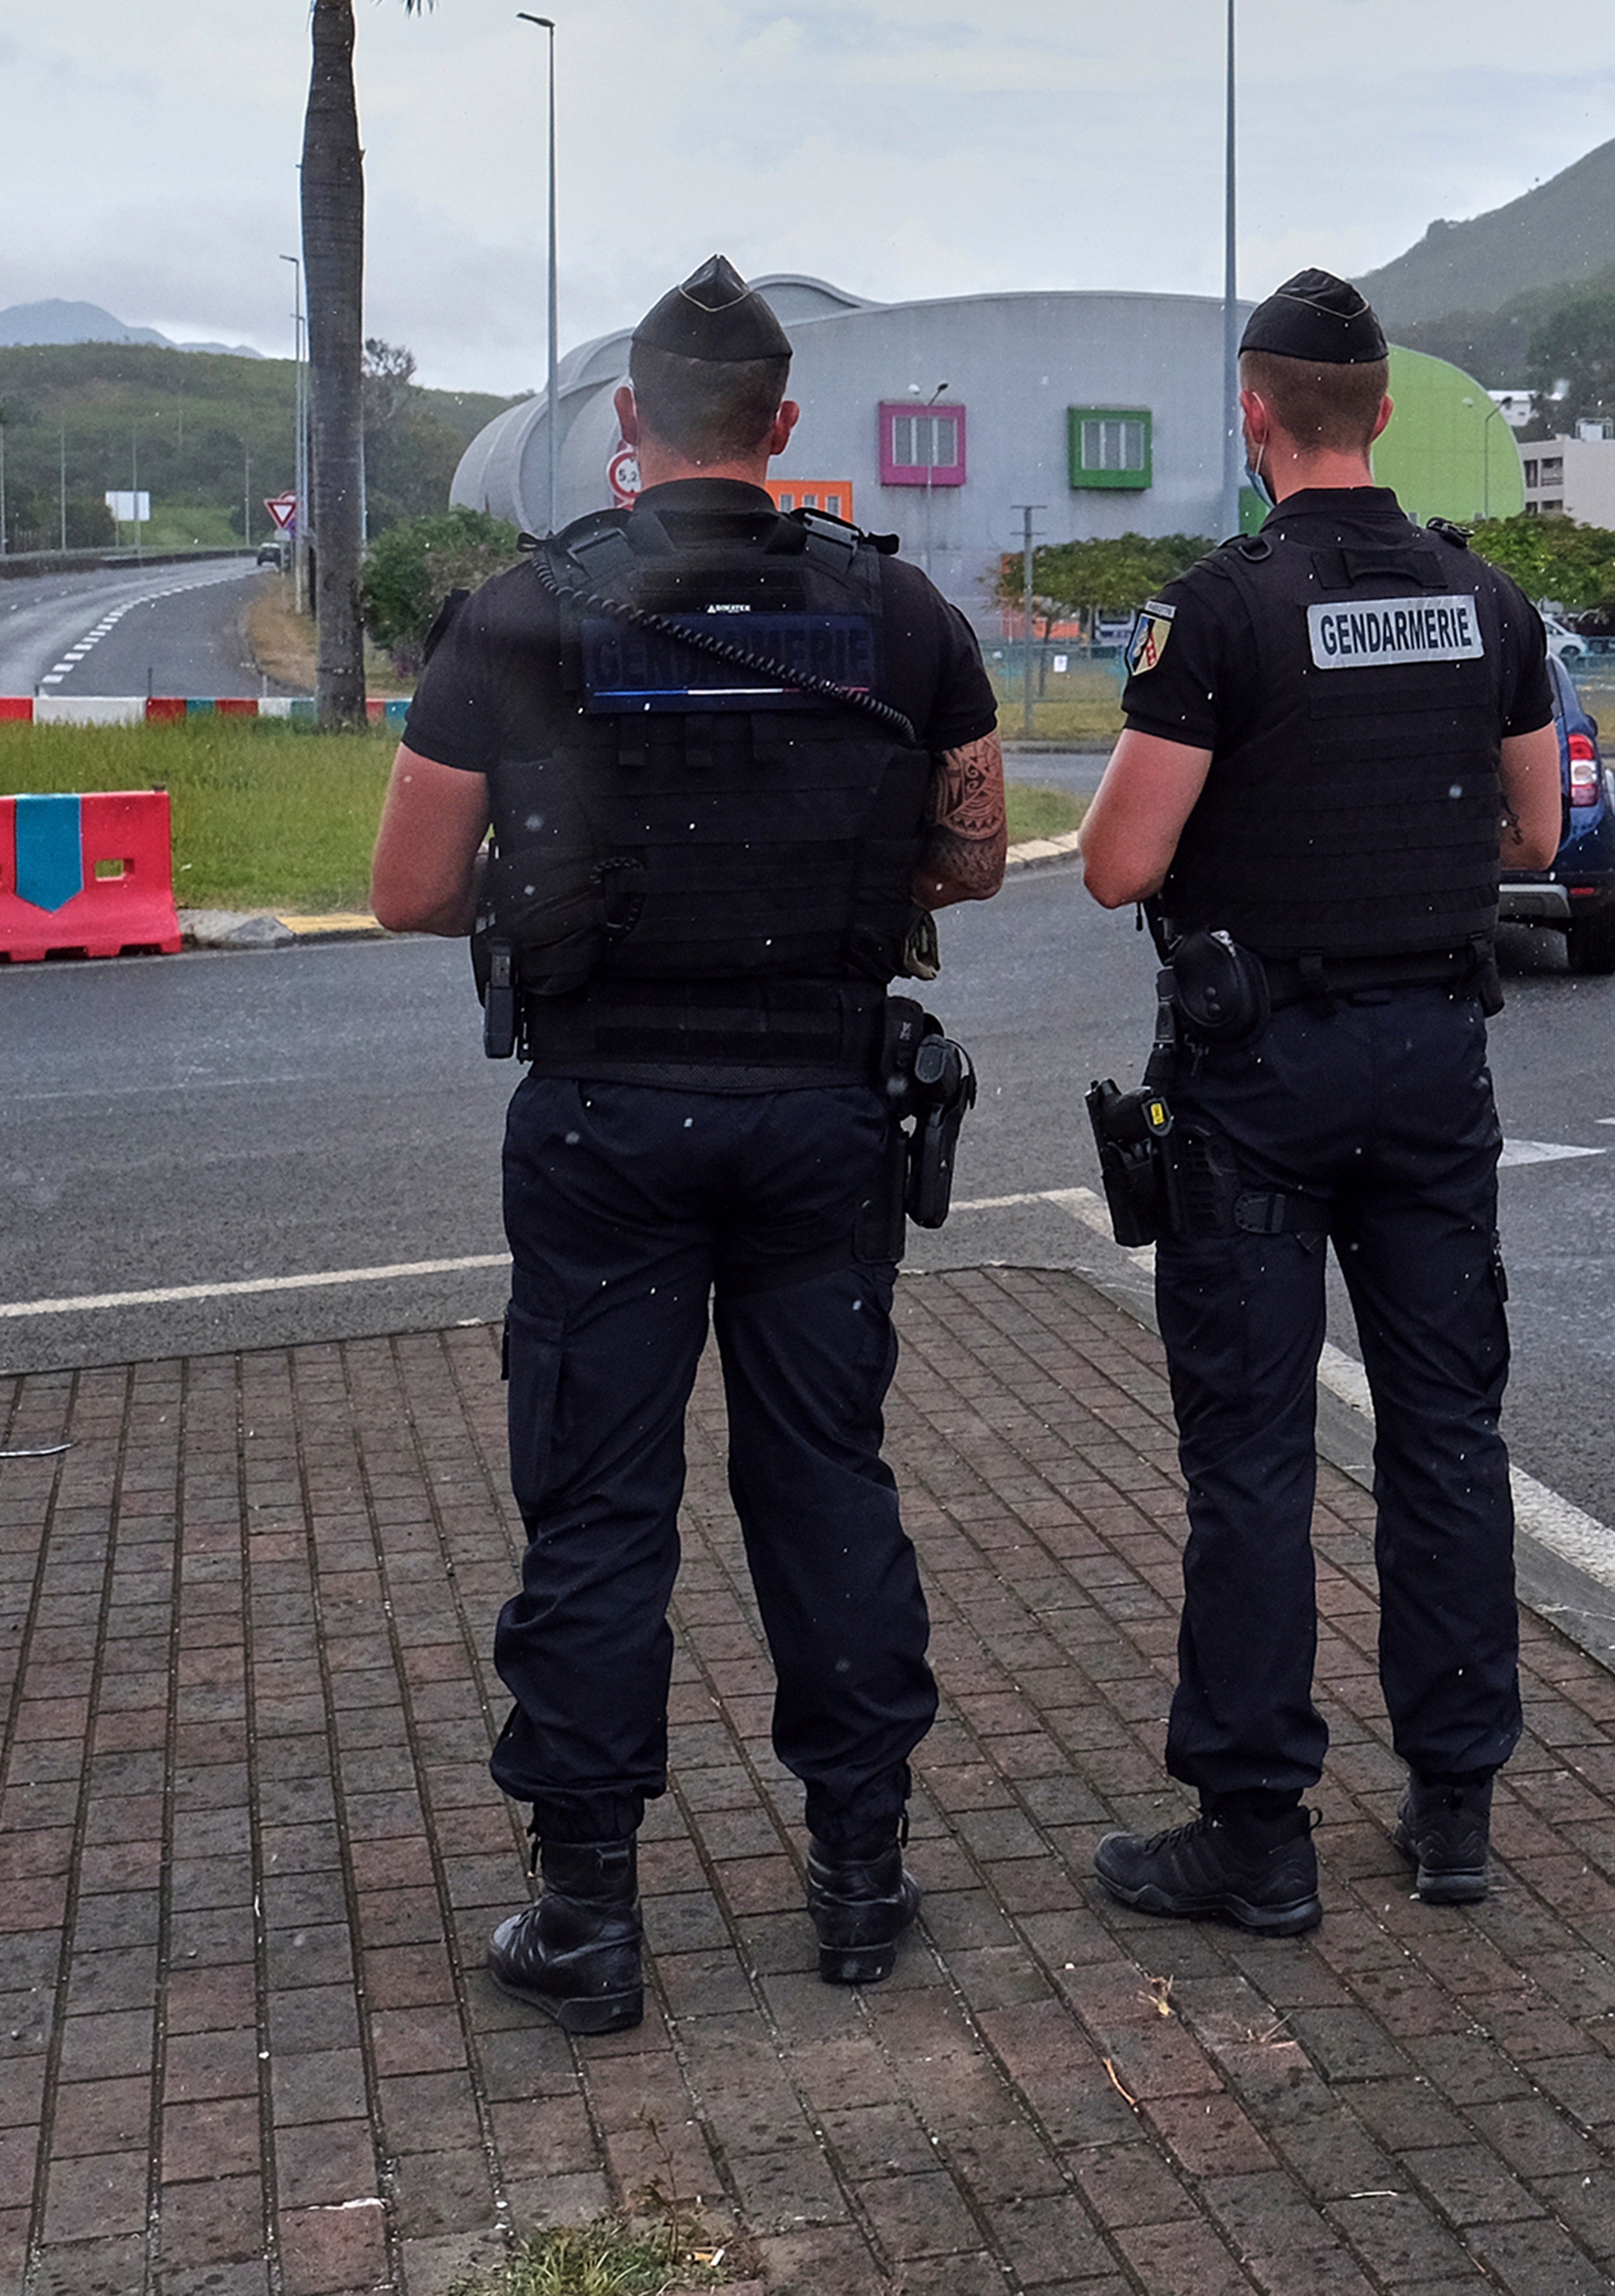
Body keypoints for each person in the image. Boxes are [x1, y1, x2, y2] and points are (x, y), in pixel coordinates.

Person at [367, 256, 1012, 2034]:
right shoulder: (901, 618)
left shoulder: (515, 615)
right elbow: (971, 857)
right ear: (785, 432)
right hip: (822, 1117)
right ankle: (861, 1881)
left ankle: (588, 1918)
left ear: (629, 431)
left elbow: (410, 888)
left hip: (602, 1124)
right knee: (826, 1487)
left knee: (597, 1511)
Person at [1076, 267, 1564, 1930]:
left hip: (1260, 1078)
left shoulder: (1217, 612)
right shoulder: (1485, 603)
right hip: (1437, 1067)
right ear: (1383, 415)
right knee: (1447, 1436)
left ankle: (1257, 1837)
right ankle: (1453, 1813)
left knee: (1255, 1458)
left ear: (1256, 414)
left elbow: (1119, 864)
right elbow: (1539, 837)